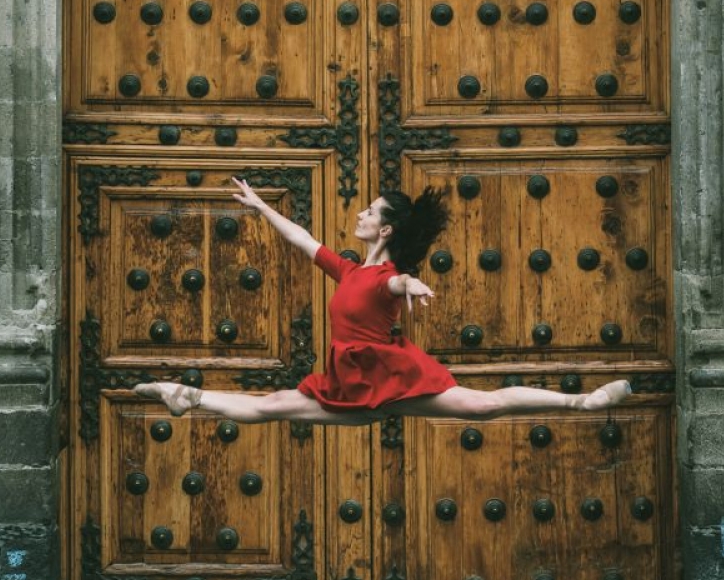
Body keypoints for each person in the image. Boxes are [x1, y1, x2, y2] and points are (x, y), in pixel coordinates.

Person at [134, 177, 632, 422]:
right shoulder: (351, 269)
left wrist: (412, 285)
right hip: (350, 385)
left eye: (370, 212)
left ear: (385, 228)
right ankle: (188, 396)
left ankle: (582, 401)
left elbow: (396, 285)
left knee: (485, 404)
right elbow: (303, 239)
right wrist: (262, 206)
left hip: (391, 382)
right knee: (270, 407)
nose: (361, 213)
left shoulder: (385, 276)